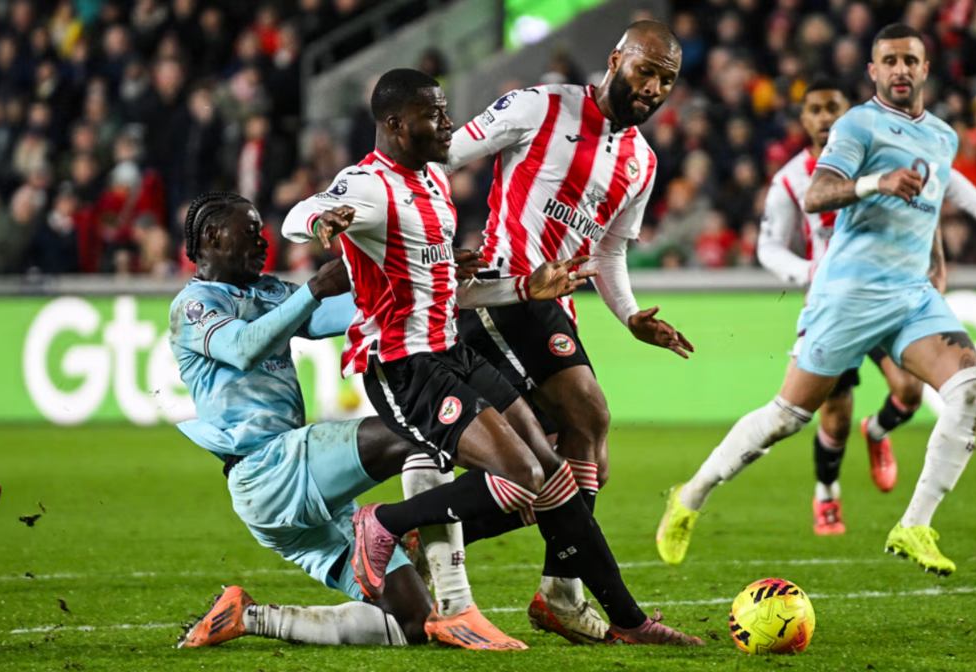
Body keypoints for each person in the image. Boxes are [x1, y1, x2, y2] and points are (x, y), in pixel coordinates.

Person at [281, 68, 703, 647]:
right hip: (405, 367)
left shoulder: (433, 184)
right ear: (398, 126)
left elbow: (448, 290)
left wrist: (528, 287)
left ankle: (626, 619)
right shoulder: (368, 185)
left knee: (553, 477)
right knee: (528, 473)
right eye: (437, 115)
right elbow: (301, 213)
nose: (451, 126)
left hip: (452, 348)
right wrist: (320, 221)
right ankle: (383, 523)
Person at [657, 25, 976, 576]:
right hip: (848, 292)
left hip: (910, 293)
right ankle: (690, 495)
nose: (901, 69)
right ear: (874, 72)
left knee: (972, 391)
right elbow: (818, 193)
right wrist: (876, 182)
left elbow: (934, 193)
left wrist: (970, 240)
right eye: (890, 61)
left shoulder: (943, 137)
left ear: (925, 69)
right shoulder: (858, 124)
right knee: (787, 418)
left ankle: (914, 525)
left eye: (910, 60)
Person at [171, 191, 594, 651]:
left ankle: (249, 616)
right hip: (265, 468)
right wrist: (313, 289)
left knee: (411, 624)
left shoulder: (270, 291)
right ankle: (457, 606)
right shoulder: (193, 305)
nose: (263, 239)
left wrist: (437, 282)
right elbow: (242, 347)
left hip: (306, 489)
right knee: (422, 437)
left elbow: (362, 310)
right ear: (212, 236)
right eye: (249, 230)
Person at [409, 20, 692, 644]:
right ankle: (575, 600)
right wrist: (425, 242)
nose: (652, 87)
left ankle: (419, 532)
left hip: (552, 308)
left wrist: (631, 315)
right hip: (500, 294)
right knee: (586, 420)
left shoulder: (641, 162)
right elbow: (440, 153)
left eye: (666, 79)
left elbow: (609, 253)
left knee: (566, 461)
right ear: (616, 59)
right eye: (645, 70)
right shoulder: (541, 106)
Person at [753, 78, 976, 535]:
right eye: (816, 110)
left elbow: (945, 181)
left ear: (850, 115)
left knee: (909, 391)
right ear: (804, 120)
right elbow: (768, 249)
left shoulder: (879, 148)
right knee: (834, 414)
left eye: (833, 108)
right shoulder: (791, 179)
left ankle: (878, 431)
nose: (825, 118)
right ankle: (827, 495)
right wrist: (812, 272)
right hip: (834, 302)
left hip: (889, 290)